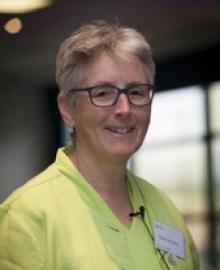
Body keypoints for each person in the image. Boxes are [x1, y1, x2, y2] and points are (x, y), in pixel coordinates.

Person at [0, 20, 200, 270]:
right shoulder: (26, 217)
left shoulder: (165, 209)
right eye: (103, 93)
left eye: (136, 92)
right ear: (67, 108)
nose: (124, 109)